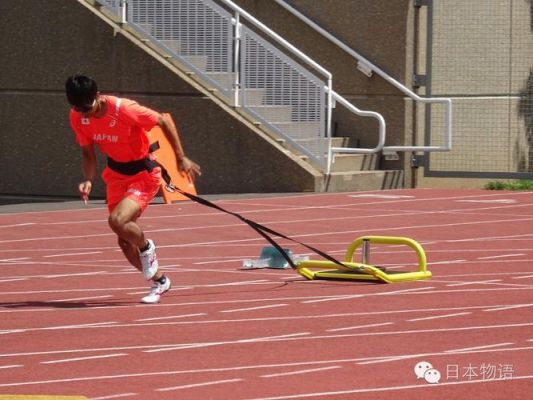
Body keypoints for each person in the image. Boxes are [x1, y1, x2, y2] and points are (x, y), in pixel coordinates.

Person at [65, 74, 201, 304]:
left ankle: (147, 246)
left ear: (97, 96)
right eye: (78, 108)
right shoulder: (78, 117)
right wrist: (87, 179)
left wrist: (180, 157)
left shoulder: (125, 109)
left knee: (117, 221)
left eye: (87, 107)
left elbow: (162, 121)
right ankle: (160, 281)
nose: (84, 113)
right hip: (116, 175)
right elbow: (88, 152)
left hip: (143, 174)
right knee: (124, 239)